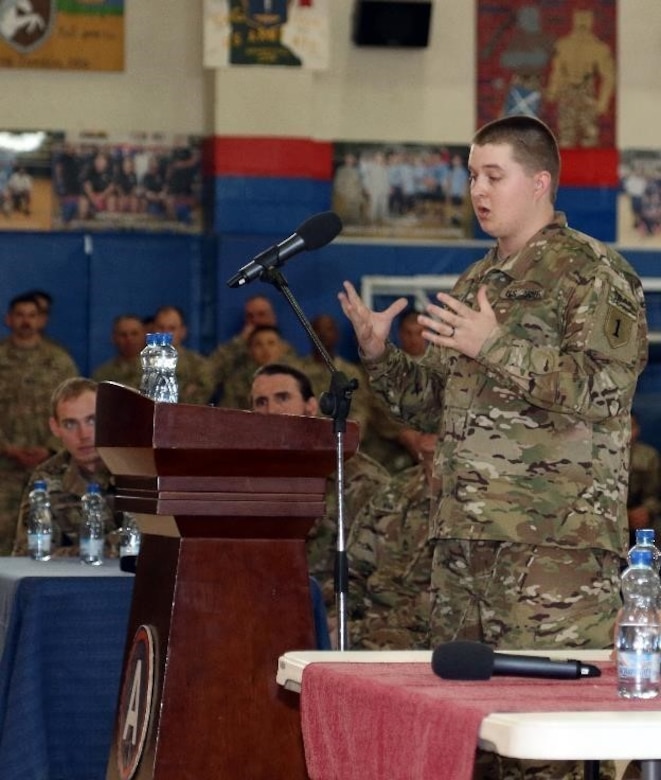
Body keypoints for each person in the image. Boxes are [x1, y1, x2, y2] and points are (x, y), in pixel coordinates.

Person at [338, 114, 647, 652]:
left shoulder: (592, 271)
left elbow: (606, 388)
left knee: (550, 714)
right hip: (462, 544)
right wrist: (380, 355)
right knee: (467, 715)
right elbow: (435, 406)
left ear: (539, 182)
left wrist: (495, 346)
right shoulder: (477, 280)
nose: (477, 190)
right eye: (472, 176)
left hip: (552, 547)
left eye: (493, 176)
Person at [250, 363, 390, 601]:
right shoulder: (245, 477)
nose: (271, 410)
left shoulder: (357, 477)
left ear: (311, 406)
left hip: (333, 610)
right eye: (261, 402)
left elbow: (381, 568)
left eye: (282, 397)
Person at [0, 293, 78, 554]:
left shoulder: (59, 361)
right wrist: (7, 448)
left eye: (32, 316)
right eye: (20, 315)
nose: (26, 321)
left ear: (42, 320)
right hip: (4, 468)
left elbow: (75, 408)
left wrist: (51, 447)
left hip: (50, 466)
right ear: (8, 319)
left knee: (49, 535)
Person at [346, 432, 438, 650]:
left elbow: (450, 604)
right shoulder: (394, 492)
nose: (430, 424)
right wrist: (337, 619)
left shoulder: (480, 503)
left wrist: (362, 629)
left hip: (429, 637)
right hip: (369, 625)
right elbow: (354, 571)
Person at [12, 377, 118, 557]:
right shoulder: (46, 479)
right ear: (55, 428)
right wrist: (107, 550)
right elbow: (28, 554)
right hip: (78, 582)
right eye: (70, 424)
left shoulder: (138, 468)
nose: (83, 435)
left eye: (92, 421)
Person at [208, 294, 296, 402]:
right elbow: (211, 371)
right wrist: (239, 342)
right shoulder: (236, 350)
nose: (256, 321)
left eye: (261, 314)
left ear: (272, 317)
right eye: (250, 316)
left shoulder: (286, 350)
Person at [152, 305, 214, 404]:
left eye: (171, 328)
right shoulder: (139, 363)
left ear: (182, 332)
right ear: (153, 329)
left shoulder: (198, 366)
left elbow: (195, 402)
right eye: (161, 327)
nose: (165, 333)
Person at [627, 412, 661, 547]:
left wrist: (646, 510)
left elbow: (655, 495)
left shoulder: (648, 456)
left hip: (640, 513)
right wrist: (624, 516)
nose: (627, 433)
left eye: (631, 427)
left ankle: (653, 564)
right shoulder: (599, 457)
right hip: (609, 516)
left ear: (638, 430)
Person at [92, 314, 145, 390]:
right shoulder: (102, 375)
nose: (129, 339)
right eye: (123, 335)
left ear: (144, 336)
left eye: (134, 334)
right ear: (114, 338)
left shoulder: (156, 370)